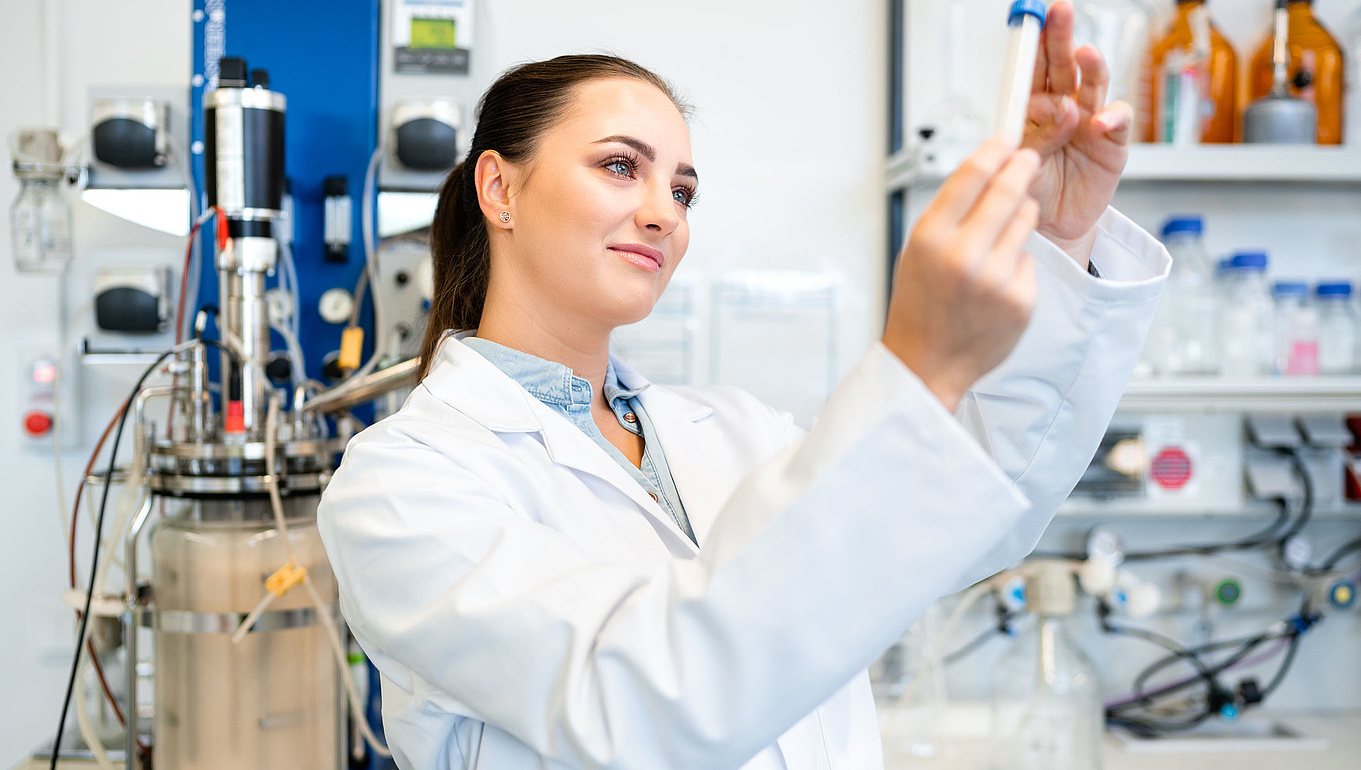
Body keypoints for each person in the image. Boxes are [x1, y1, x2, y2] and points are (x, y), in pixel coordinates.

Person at [317, 4, 1169, 768]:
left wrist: (1059, 240)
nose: (665, 213)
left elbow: (981, 504)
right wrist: (916, 364)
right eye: (621, 166)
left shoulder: (738, 431)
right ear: (499, 187)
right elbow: (648, 695)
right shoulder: (402, 488)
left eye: (682, 190)